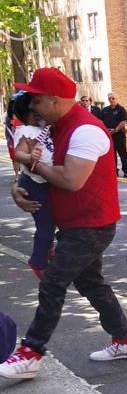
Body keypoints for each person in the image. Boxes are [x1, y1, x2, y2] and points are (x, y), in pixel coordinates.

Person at [1, 68, 127, 381]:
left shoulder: (86, 130)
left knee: (53, 281)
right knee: (90, 282)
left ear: (54, 100)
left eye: (36, 99)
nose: (32, 105)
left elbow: (70, 179)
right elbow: (41, 171)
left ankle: (31, 352)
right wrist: (19, 185)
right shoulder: (56, 127)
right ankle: (126, 338)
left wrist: (31, 162)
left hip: (90, 225)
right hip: (78, 223)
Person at [9, 91, 57, 278]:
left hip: (46, 181)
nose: (38, 112)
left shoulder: (46, 129)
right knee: (46, 224)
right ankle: (38, 261)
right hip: (34, 183)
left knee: (51, 222)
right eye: (33, 110)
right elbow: (19, 153)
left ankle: (47, 249)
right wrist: (29, 157)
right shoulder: (26, 131)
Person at [99, 91, 127, 176]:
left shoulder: (121, 109)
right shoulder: (105, 110)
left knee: (122, 153)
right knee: (111, 155)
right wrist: (105, 130)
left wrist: (115, 130)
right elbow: (101, 121)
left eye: (113, 98)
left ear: (117, 99)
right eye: (110, 98)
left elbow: (123, 121)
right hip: (108, 135)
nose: (111, 100)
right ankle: (114, 171)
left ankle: (126, 171)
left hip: (119, 135)